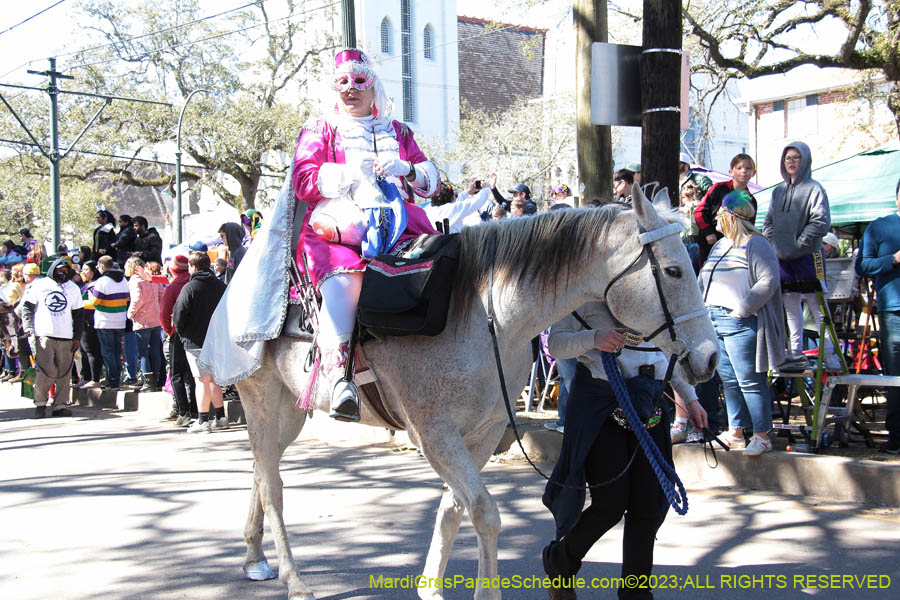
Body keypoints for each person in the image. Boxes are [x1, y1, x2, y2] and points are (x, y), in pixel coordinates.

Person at [290, 47, 439, 421]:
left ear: (375, 88)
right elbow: (303, 181)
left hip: (402, 226)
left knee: (446, 264)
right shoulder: (321, 129)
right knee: (345, 284)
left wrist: (406, 168)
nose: (350, 89)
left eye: (359, 81)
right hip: (337, 232)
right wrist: (345, 173)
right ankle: (341, 380)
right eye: (342, 82)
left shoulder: (400, 132)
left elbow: (431, 183)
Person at [541, 302, 707, 599]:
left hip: (649, 402)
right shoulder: (586, 291)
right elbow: (556, 343)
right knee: (611, 504)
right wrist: (594, 338)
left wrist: (690, 398)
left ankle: (636, 594)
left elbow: (668, 353)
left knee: (648, 505)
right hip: (600, 404)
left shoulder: (654, 290)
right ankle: (560, 561)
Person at [699, 190, 785, 455]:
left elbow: (768, 280)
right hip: (714, 319)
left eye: (721, 213)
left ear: (733, 217)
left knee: (749, 379)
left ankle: (761, 434)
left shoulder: (756, 243)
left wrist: (742, 309)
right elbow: (705, 277)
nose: (715, 217)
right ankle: (736, 432)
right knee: (729, 380)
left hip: (738, 321)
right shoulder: (721, 245)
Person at [762, 141, 835, 370]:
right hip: (782, 259)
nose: (791, 162)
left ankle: (830, 353)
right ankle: (794, 353)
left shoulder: (815, 189)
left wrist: (799, 244)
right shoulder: (778, 191)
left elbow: (820, 221)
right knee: (791, 308)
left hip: (808, 257)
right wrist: (776, 247)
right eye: (787, 158)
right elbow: (768, 222)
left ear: (805, 160)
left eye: (796, 157)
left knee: (818, 307)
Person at [855, 178, 900, 454]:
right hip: (893, 310)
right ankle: (896, 436)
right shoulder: (881, 226)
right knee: (895, 376)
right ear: (897, 197)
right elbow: (862, 265)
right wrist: (893, 260)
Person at [19, 257, 84, 418]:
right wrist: (29, 327)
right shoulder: (40, 285)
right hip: (44, 335)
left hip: (66, 337)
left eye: (65, 271)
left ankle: (60, 405)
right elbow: (27, 307)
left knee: (64, 373)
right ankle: (40, 404)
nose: (62, 273)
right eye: (59, 271)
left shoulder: (73, 288)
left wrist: (77, 337)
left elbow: (79, 315)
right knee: (45, 372)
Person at [173, 252, 228, 433]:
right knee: (213, 379)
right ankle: (221, 416)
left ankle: (203, 419)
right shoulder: (221, 286)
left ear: (193, 267)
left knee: (202, 380)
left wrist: (182, 334)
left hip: (195, 340)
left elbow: (179, 315)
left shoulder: (190, 288)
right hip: (217, 340)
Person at [694, 153, 758, 266]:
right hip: (710, 242)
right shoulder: (718, 188)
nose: (743, 171)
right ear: (731, 172)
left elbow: (749, 226)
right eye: (739, 168)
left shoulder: (751, 200)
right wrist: (708, 232)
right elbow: (699, 211)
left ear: (754, 173)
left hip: (735, 248)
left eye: (748, 168)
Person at [160, 254, 198, 427]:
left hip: (178, 334)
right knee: (193, 374)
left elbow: (164, 315)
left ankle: (184, 412)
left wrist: (170, 331)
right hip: (198, 333)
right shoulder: (194, 283)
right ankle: (197, 411)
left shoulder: (173, 287)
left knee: (177, 374)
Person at [125, 257, 165, 392]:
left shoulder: (135, 281)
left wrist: (130, 314)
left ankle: (148, 383)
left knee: (143, 352)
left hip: (142, 320)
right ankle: (157, 380)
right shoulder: (151, 278)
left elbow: (137, 299)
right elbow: (162, 294)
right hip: (155, 319)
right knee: (155, 351)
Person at [91, 255, 130, 391]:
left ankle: (112, 381)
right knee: (117, 353)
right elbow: (126, 299)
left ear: (102, 267)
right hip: (119, 320)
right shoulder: (124, 280)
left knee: (108, 353)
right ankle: (116, 380)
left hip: (105, 321)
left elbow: (95, 302)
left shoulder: (102, 281)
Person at [425, 179, 493, 233]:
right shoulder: (451, 209)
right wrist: (487, 188)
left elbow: (457, 201)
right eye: (454, 194)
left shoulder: (429, 210)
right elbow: (474, 202)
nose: (456, 195)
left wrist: (468, 191)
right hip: (452, 247)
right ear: (451, 198)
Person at [75, 261, 103, 389]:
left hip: (90, 322)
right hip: (81, 322)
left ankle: (94, 378)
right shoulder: (84, 285)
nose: (83, 272)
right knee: (83, 351)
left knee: (91, 351)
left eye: (86, 269)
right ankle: (85, 377)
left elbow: (93, 303)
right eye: (83, 270)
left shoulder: (96, 285)